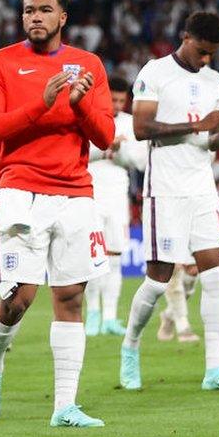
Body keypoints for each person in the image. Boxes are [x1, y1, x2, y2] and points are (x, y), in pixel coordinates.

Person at [0, 0, 114, 427]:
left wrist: (79, 105)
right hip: (21, 190)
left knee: (71, 297)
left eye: (44, 10)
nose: (35, 17)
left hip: (75, 193)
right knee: (18, 297)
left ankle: (65, 406)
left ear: (62, 17)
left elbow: (106, 137)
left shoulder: (87, 64)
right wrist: (42, 103)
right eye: (29, 10)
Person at [119, 11, 219, 393]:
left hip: (201, 186)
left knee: (215, 275)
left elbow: (207, 139)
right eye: (202, 51)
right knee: (158, 281)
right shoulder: (155, 72)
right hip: (165, 189)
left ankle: (215, 370)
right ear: (186, 37)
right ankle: (130, 346)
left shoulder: (214, 82)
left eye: (212, 54)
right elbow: (142, 129)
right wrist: (198, 126)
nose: (206, 60)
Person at [84, 76, 145, 337]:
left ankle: (109, 316)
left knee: (115, 258)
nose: (117, 104)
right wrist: (105, 147)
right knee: (93, 258)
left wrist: (119, 150)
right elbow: (80, 154)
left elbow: (140, 161)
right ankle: (93, 313)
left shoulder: (131, 124)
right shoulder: (89, 117)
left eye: (122, 100)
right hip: (90, 193)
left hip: (118, 196)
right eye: (113, 99)